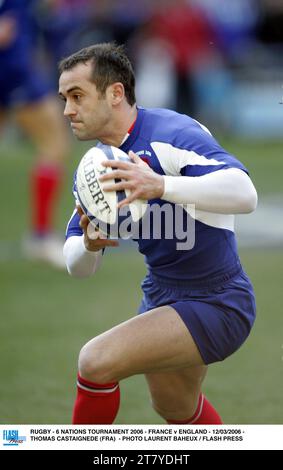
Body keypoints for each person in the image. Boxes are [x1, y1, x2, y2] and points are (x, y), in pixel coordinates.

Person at [59, 43, 258, 424]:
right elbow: (77, 266)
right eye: (65, 98)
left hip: (218, 300)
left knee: (95, 361)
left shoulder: (172, 133)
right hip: (161, 297)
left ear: (115, 93)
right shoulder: (98, 164)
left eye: (77, 96)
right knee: (175, 407)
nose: (68, 109)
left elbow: (244, 194)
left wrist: (159, 185)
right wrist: (88, 244)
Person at [0, 0, 69, 268]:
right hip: (11, 70)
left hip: (15, 67)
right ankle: (40, 236)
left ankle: (40, 236)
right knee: (54, 142)